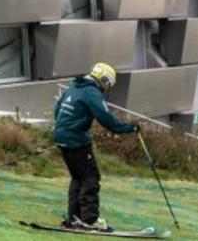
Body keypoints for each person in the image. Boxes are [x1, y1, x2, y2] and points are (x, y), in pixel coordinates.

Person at [52, 62, 138, 232]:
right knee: (91, 178)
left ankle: (73, 219)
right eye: (108, 84)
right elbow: (105, 118)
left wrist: (69, 126)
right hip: (76, 139)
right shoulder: (91, 92)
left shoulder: (74, 86)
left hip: (61, 135)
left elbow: (57, 110)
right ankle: (90, 220)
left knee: (78, 177)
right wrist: (129, 127)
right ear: (104, 79)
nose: (107, 88)